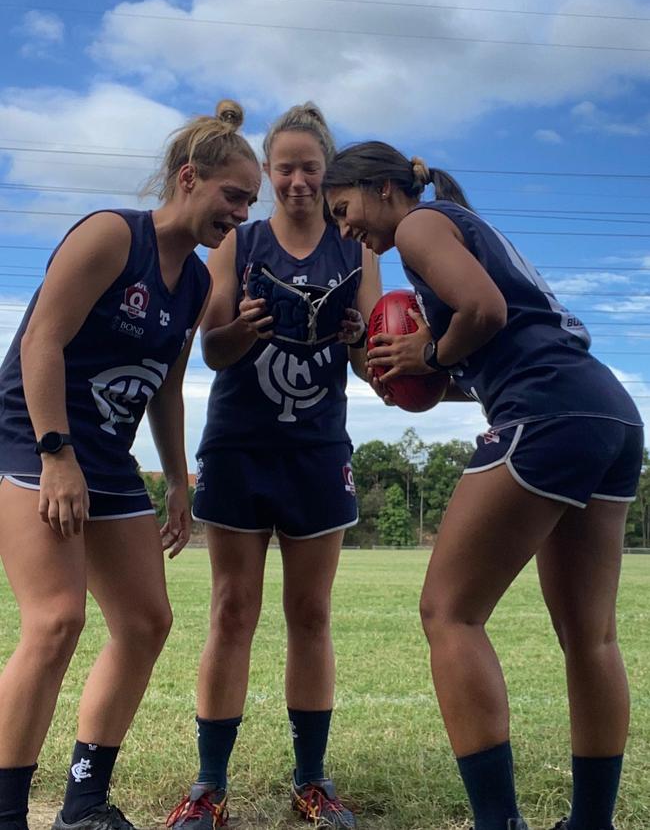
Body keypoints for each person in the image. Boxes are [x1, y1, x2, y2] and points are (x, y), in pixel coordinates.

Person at [322, 142, 643, 830]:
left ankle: (498, 824)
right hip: (607, 411)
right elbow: (497, 351)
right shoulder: (465, 225)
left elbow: (486, 309)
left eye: (344, 211)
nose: (345, 229)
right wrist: (426, 372)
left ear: (382, 189)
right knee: (590, 637)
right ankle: (592, 824)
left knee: (449, 612)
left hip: (549, 410)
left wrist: (430, 351)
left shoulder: (418, 226)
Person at [0, 100, 261, 830]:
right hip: (33, 438)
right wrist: (56, 456)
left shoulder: (199, 284)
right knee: (55, 621)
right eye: (232, 195)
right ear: (188, 178)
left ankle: (84, 803)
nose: (240, 213)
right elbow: (39, 343)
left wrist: (178, 479)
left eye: (248, 201)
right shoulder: (111, 235)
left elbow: (166, 386)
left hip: (110, 459)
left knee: (146, 622)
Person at [166, 103, 381, 830]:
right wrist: (240, 330)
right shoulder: (240, 239)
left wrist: (357, 336)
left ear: (328, 173)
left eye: (308, 169)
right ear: (268, 171)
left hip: (319, 452)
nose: (294, 181)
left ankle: (311, 780)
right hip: (239, 447)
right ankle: (209, 788)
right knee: (232, 610)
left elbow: (372, 359)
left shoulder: (358, 250)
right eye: (282, 168)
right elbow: (212, 349)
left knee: (310, 614)